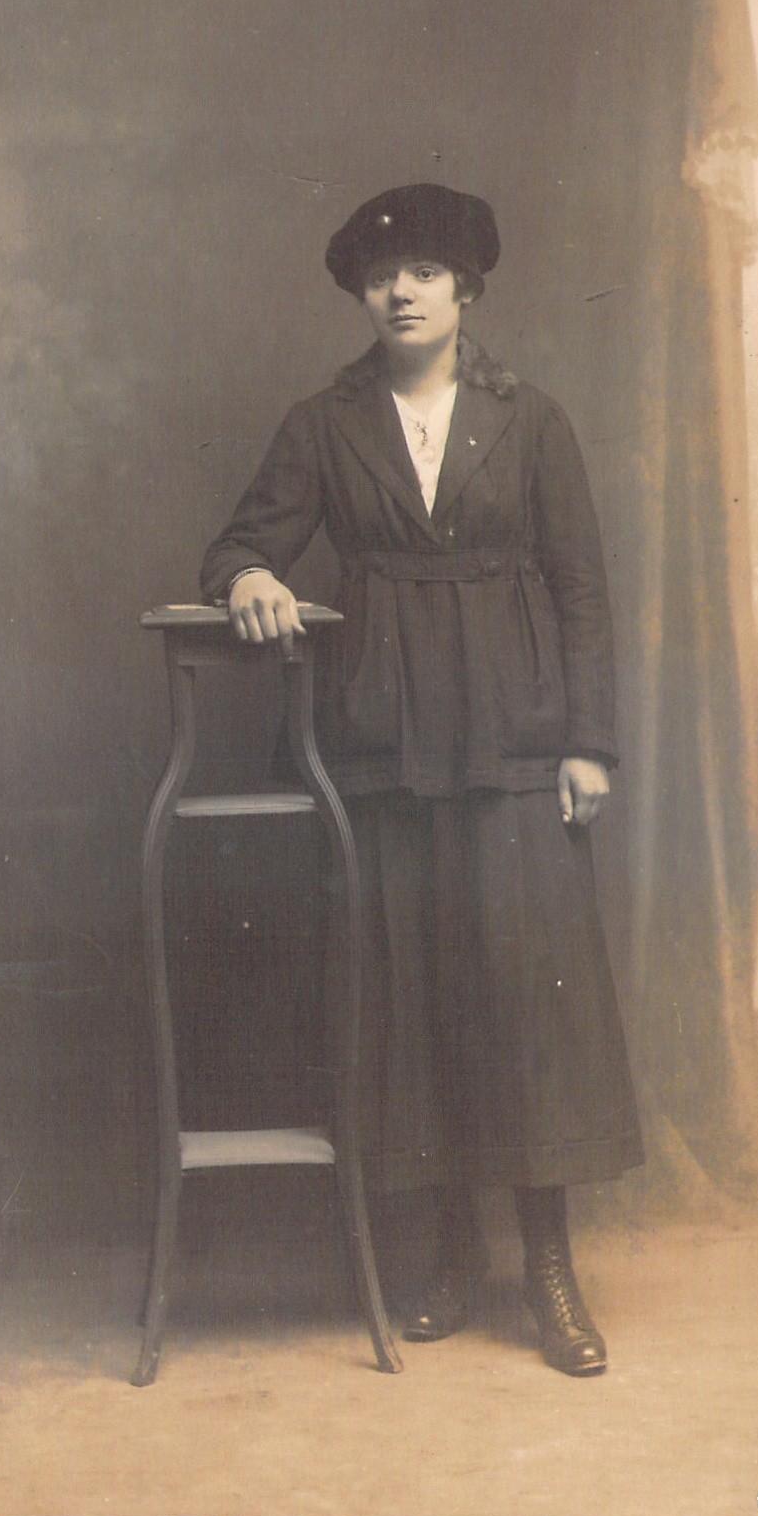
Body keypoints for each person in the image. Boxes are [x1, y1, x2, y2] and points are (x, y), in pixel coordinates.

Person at [201, 183, 643, 1375]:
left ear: (468, 291)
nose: (402, 290)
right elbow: (240, 543)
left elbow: (584, 592)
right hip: (385, 744)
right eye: (382, 274)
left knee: (527, 1002)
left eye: (428, 272)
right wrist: (248, 578)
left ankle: (549, 1270)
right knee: (419, 996)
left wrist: (588, 743)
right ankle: (453, 1256)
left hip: (514, 738)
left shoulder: (532, 419)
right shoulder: (322, 423)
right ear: (361, 290)